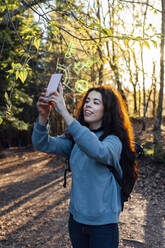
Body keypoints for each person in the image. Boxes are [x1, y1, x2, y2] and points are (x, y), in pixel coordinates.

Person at [32, 84, 138, 248]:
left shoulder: (114, 140)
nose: (88, 104)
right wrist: (43, 117)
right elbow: (42, 144)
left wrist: (65, 113)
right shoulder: (75, 140)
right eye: (87, 101)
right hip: (76, 221)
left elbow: (97, 151)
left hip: (103, 226)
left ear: (107, 110)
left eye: (96, 102)